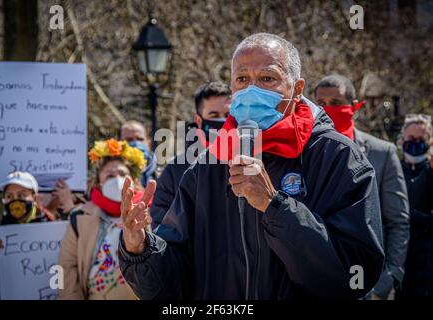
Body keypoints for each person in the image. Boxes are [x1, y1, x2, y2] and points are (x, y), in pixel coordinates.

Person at [118, 33, 385, 300]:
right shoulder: (208, 166)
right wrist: (140, 248)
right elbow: (171, 286)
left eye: (267, 78)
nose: (251, 90)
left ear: (297, 88)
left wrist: (275, 206)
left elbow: (353, 276)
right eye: (242, 79)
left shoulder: (337, 156)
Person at [314, 74, 410, 300]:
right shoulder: (302, 151)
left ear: (354, 107)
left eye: (336, 103)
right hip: (316, 280)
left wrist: (387, 280)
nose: (327, 110)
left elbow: (398, 221)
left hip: (367, 284)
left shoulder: (382, 153)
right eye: (321, 104)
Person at [58, 139, 150, 300]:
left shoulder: (150, 214)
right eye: (110, 176)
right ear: (98, 182)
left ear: (134, 182)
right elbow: (66, 267)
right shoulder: (79, 217)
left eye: (123, 174)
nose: (117, 180)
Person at [151, 81, 231, 228]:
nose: (223, 121)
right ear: (199, 120)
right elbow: (162, 228)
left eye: (228, 115)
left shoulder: (251, 162)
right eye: (214, 115)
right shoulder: (176, 169)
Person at [0, 171, 50, 299]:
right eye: (9, 196)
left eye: (22, 195)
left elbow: (61, 273)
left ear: (34, 198)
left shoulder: (51, 229)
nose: (15, 201)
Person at [396, 114, 433, 299]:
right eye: (411, 139)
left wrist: (407, 216)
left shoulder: (430, 171)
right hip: (397, 254)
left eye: (421, 139)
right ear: (402, 140)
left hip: (425, 259)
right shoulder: (392, 170)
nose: (415, 143)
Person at [120, 120, 157, 187]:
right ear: (120, 144)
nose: (136, 143)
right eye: (129, 140)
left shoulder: (163, 173)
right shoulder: (114, 173)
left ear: (148, 144)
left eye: (140, 139)